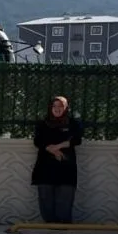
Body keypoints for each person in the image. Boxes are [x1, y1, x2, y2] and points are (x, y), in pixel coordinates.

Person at [31, 96, 83, 224]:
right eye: (54, 106)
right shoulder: (43, 123)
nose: (57, 109)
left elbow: (76, 140)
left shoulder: (73, 123)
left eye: (60, 106)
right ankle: (49, 223)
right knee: (45, 194)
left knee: (65, 194)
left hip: (65, 164)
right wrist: (52, 150)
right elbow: (38, 141)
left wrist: (58, 147)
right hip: (45, 164)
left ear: (66, 108)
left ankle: (63, 223)